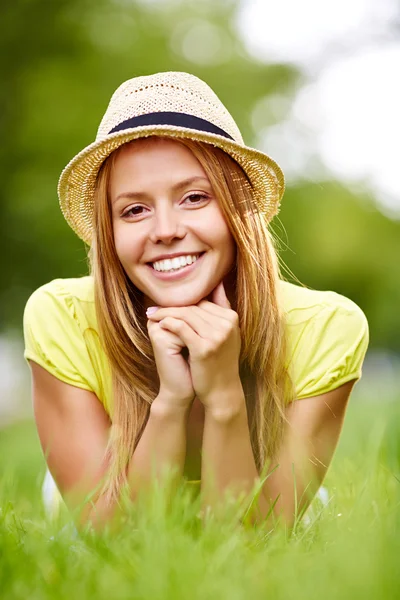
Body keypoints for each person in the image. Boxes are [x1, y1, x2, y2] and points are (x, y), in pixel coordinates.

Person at [23, 71, 369, 528]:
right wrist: (171, 400)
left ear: (236, 208)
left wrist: (225, 395)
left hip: (264, 500)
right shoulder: (61, 316)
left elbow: (259, 541)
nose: (165, 229)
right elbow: (108, 537)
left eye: (193, 197)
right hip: (110, 496)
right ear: (110, 232)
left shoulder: (327, 328)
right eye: (134, 209)